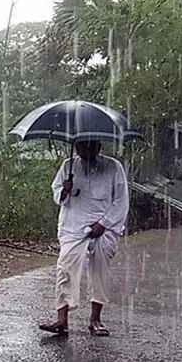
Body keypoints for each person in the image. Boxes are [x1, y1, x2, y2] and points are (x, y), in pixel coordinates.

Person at [39, 140, 129, 337]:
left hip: (103, 228)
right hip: (73, 226)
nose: (85, 150)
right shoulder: (67, 166)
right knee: (65, 268)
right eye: (81, 146)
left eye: (90, 146)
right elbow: (57, 194)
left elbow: (121, 201)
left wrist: (104, 223)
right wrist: (65, 189)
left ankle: (95, 320)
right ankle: (62, 320)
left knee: (100, 271)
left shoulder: (114, 167)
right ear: (76, 146)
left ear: (99, 146)